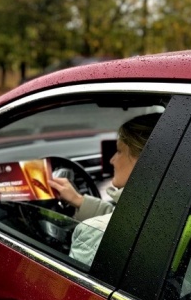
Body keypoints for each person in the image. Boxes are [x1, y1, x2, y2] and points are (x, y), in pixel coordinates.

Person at [48, 112, 161, 266]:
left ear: (142, 161)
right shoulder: (166, 207)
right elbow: (121, 218)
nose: (112, 160)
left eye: (119, 151)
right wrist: (79, 200)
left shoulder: (95, 234)